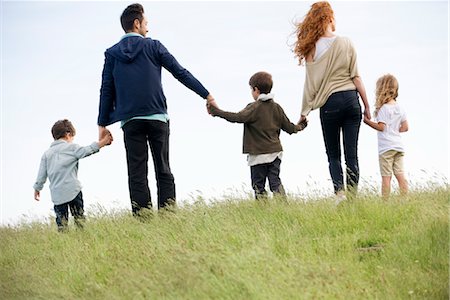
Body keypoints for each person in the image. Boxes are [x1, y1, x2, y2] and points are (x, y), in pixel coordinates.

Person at [97, 3, 217, 214]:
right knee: (163, 167)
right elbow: (180, 72)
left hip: (130, 120)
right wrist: (207, 95)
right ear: (137, 23)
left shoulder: (112, 53)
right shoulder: (154, 46)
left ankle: (143, 219)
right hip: (157, 117)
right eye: (146, 23)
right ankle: (168, 216)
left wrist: (102, 124)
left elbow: (106, 89)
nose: (148, 28)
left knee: (136, 171)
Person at [293, 1, 371, 199]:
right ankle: (353, 199)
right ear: (330, 18)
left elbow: (310, 84)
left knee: (334, 155)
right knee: (352, 155)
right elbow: (356, 77)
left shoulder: (312, 49)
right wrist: (367, 106)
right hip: (352, 101)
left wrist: (304, 112)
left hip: (330, 104)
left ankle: (340, 195)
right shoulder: (347, 43)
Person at [208, 71, 306, 199]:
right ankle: (284, 207)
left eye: (251, 89)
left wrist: (217, 112)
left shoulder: (253, 108)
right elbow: (290, 128)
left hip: (258, 155)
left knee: (258, 186)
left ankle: (262, 211)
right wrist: (301, 126)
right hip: (275, 152)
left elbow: (237, 117)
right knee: (275, 182)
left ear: (256, 89)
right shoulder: (277, 108)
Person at [33, 119, 113, 231]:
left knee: (62, 222)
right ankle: (82, 238)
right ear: (68, 134)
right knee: (79, 218)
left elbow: (41, 174)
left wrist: (37, 188)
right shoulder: (71, 148)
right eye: (72, 137)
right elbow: (87, 150)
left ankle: (64, 241)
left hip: (57, 194)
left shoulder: (47, 154)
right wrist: (103, 143)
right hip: (73, 190)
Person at [363, 74, 408, 198]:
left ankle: (385, 202)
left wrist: (367, 122)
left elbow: (381, 127)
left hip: (386, 148)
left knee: (386, 177)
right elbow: (405, 128)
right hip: (398, 147)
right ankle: (404, 199)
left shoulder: (383, 109)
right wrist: (394, 129)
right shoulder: (400, 108)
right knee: (400, 174)